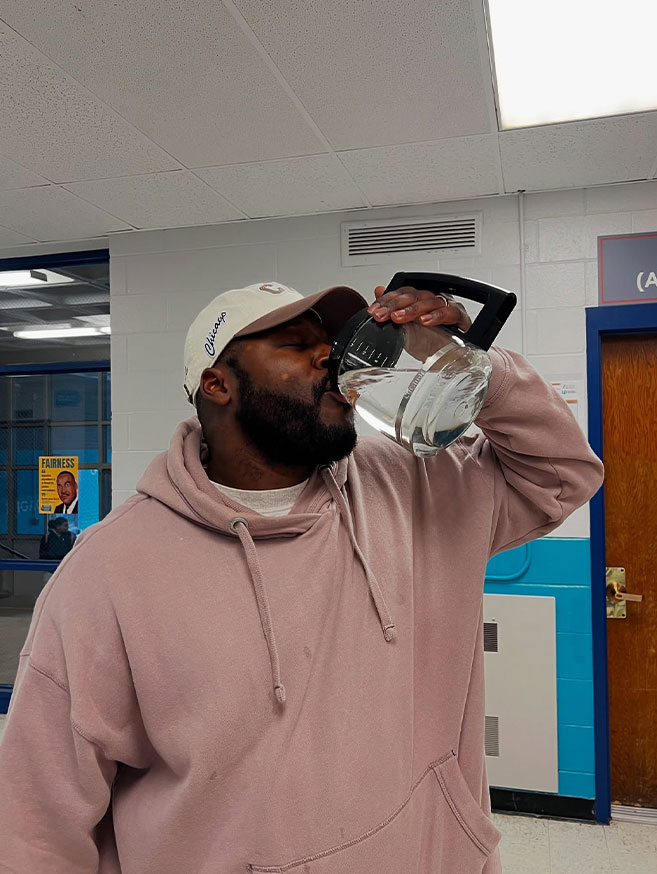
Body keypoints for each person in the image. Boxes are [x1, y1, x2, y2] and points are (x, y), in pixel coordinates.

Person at [0, 281, 604, 874]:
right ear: (217, 383)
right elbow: (39, 818)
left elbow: (561, 475)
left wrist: (472, 366)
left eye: (332, 342)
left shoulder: (415, 484)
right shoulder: (111, 569)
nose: (330, 356)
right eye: (294, 343)